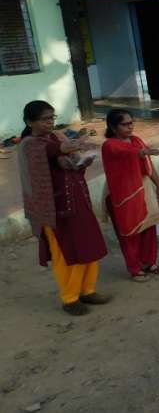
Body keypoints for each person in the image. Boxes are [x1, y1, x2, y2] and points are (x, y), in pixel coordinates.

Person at [17, 100, 109, 315]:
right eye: (45, 119)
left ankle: (88, 290)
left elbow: (67, 158)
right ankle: (70, 298)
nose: (50, 123)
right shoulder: (29, 145)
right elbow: (52, 151)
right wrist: (71, 145)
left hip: (76, 199)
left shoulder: (55, 137)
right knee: (66, 253)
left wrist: (80, 163)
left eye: (52, 118)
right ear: (30, 122)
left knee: (88, 245)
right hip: (53, 207)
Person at [102, 109, 159, 281]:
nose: (130, 127)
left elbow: (149, 166)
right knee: (130, 231)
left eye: (131, 123)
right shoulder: (109, 145)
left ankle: (149, 261)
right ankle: (135, 267)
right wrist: (140, 152)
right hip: (123, 192)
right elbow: (122, 152)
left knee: (149, 224)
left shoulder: (137, 140)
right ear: (113, 127)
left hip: (143, 186)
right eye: (125, 124)